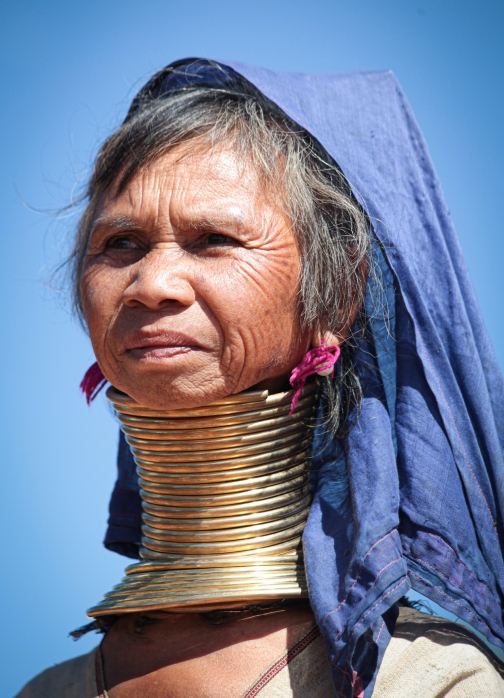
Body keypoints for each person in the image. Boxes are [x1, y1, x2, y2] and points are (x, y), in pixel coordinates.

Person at [15, 59, 504, 698]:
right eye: (121, 244)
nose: (151, 284)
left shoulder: (430, 682)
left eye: (213, 239)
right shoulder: (45, 690)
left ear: (335, 299)